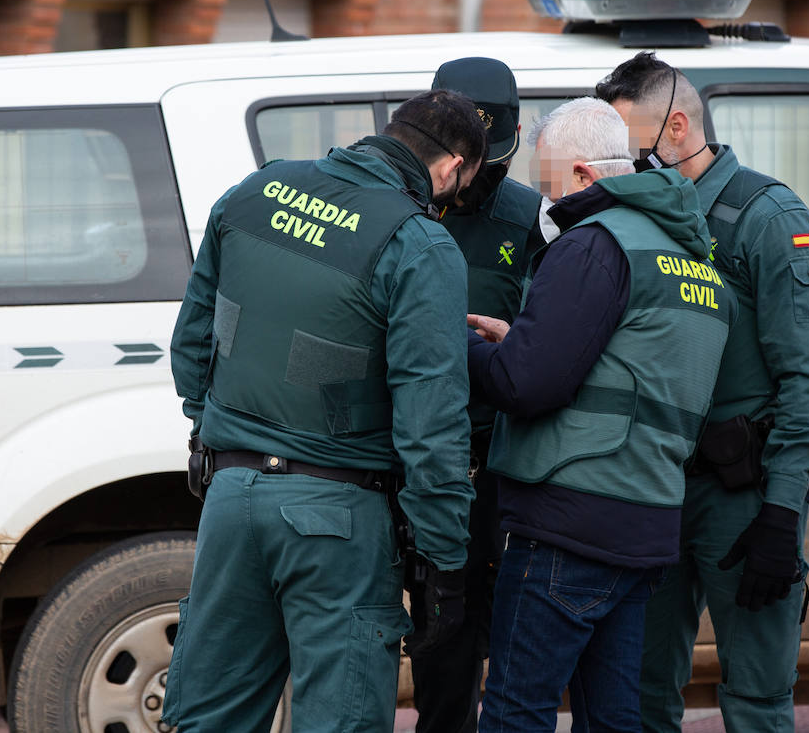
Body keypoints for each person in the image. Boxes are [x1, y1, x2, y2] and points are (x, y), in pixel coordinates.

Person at [162, 89, 487, 733]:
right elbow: (432, 425)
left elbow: (192, 346)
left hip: (231, 498)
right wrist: (446, 559)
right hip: (338, 518)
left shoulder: (256, 191)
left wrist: (222, 439)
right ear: (451, 168)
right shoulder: (419, 243)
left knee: (208, 719)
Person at [467, 97, 736, 733]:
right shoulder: (691, 259)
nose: (544, 205)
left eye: (549, 186)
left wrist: (457, 342)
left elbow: (525, 384)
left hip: (566, 524)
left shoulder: (592, 245)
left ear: (585, 175)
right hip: (643, 523)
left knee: (513, 713)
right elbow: (628, 367)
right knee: (615, 719)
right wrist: (524, 337)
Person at [594, 52, 809, 732]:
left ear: (676, 128)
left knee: (758, 697)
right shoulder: (637, 218)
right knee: (639, 694)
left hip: (743, 498)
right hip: (653, 488)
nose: (622, 164)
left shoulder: (765, 219)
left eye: (631, 146)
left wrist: (781, 515)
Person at [410, 57, 546, 733]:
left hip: (498, 463)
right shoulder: (405, 207)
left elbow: (562, 333)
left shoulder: (532, 221)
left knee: (502, 639)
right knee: (437, 641)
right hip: (416, 457)